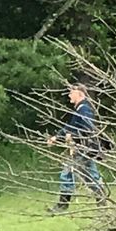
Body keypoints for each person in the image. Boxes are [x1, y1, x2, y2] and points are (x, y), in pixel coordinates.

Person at [47, 83, 107, 214]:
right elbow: (69, 127)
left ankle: (62, 205)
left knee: (67, 174)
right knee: (90, 175)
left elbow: (86, 128)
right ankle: (102, 201)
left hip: (82, 148)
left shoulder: (84, 109)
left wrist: (72, 136)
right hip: (84, 148)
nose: (69, 95)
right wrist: (57, 137)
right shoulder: (80, 109)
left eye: (71, 92)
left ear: (80, 94)